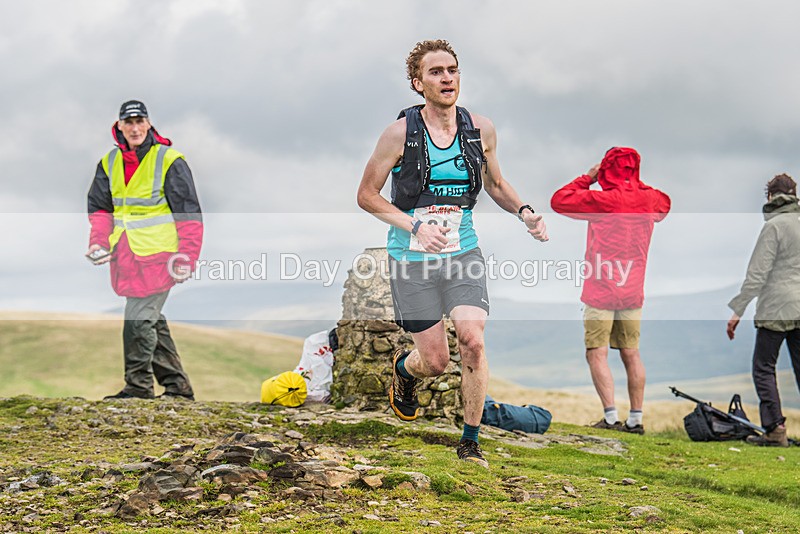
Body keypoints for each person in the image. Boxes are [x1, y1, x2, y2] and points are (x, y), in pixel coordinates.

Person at [357, 40, 548, 467]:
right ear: (417, 83)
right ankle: (405, 371)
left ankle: (471, 441)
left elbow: (495, 184)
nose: (447, 78)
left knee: (472, 341)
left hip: (463, 253)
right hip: (411, 258)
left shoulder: (480, 129)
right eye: (436, 72)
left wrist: (525, 211)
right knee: (436, 361)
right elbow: (367, 196)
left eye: (452, 70)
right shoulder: (399, 134)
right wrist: (416, 226)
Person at [87, 100, 203, 400]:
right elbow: (101, 210)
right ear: (120, 127)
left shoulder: (169, 160)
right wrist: (98, 242)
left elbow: (188, 214)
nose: (135, 128)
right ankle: (177, 386)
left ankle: (138, 387)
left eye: (141, 122)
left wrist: (187, 257)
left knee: (138, 319)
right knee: (150, 319)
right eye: (129, 123)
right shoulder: (108, 163)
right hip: (127, 257)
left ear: (149, 124)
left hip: (162, 257)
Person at [551, 148, 670, 434]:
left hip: (600, 290)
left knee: (597, 352)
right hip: (633, 291)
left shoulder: (603, 200)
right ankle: (637, 420)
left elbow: (559, 200)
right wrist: (636, 185)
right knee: (631, 353)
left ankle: (611, 417)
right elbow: (664, 203)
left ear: (606, 169)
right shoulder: (648, 199)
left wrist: (588, 177)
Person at [727, 174, 800, 447]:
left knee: (763, 368)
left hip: (777, 307)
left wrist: (738, 309)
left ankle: (775, 430)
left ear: (770, 197)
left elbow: (757, 274)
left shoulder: (774, 227)